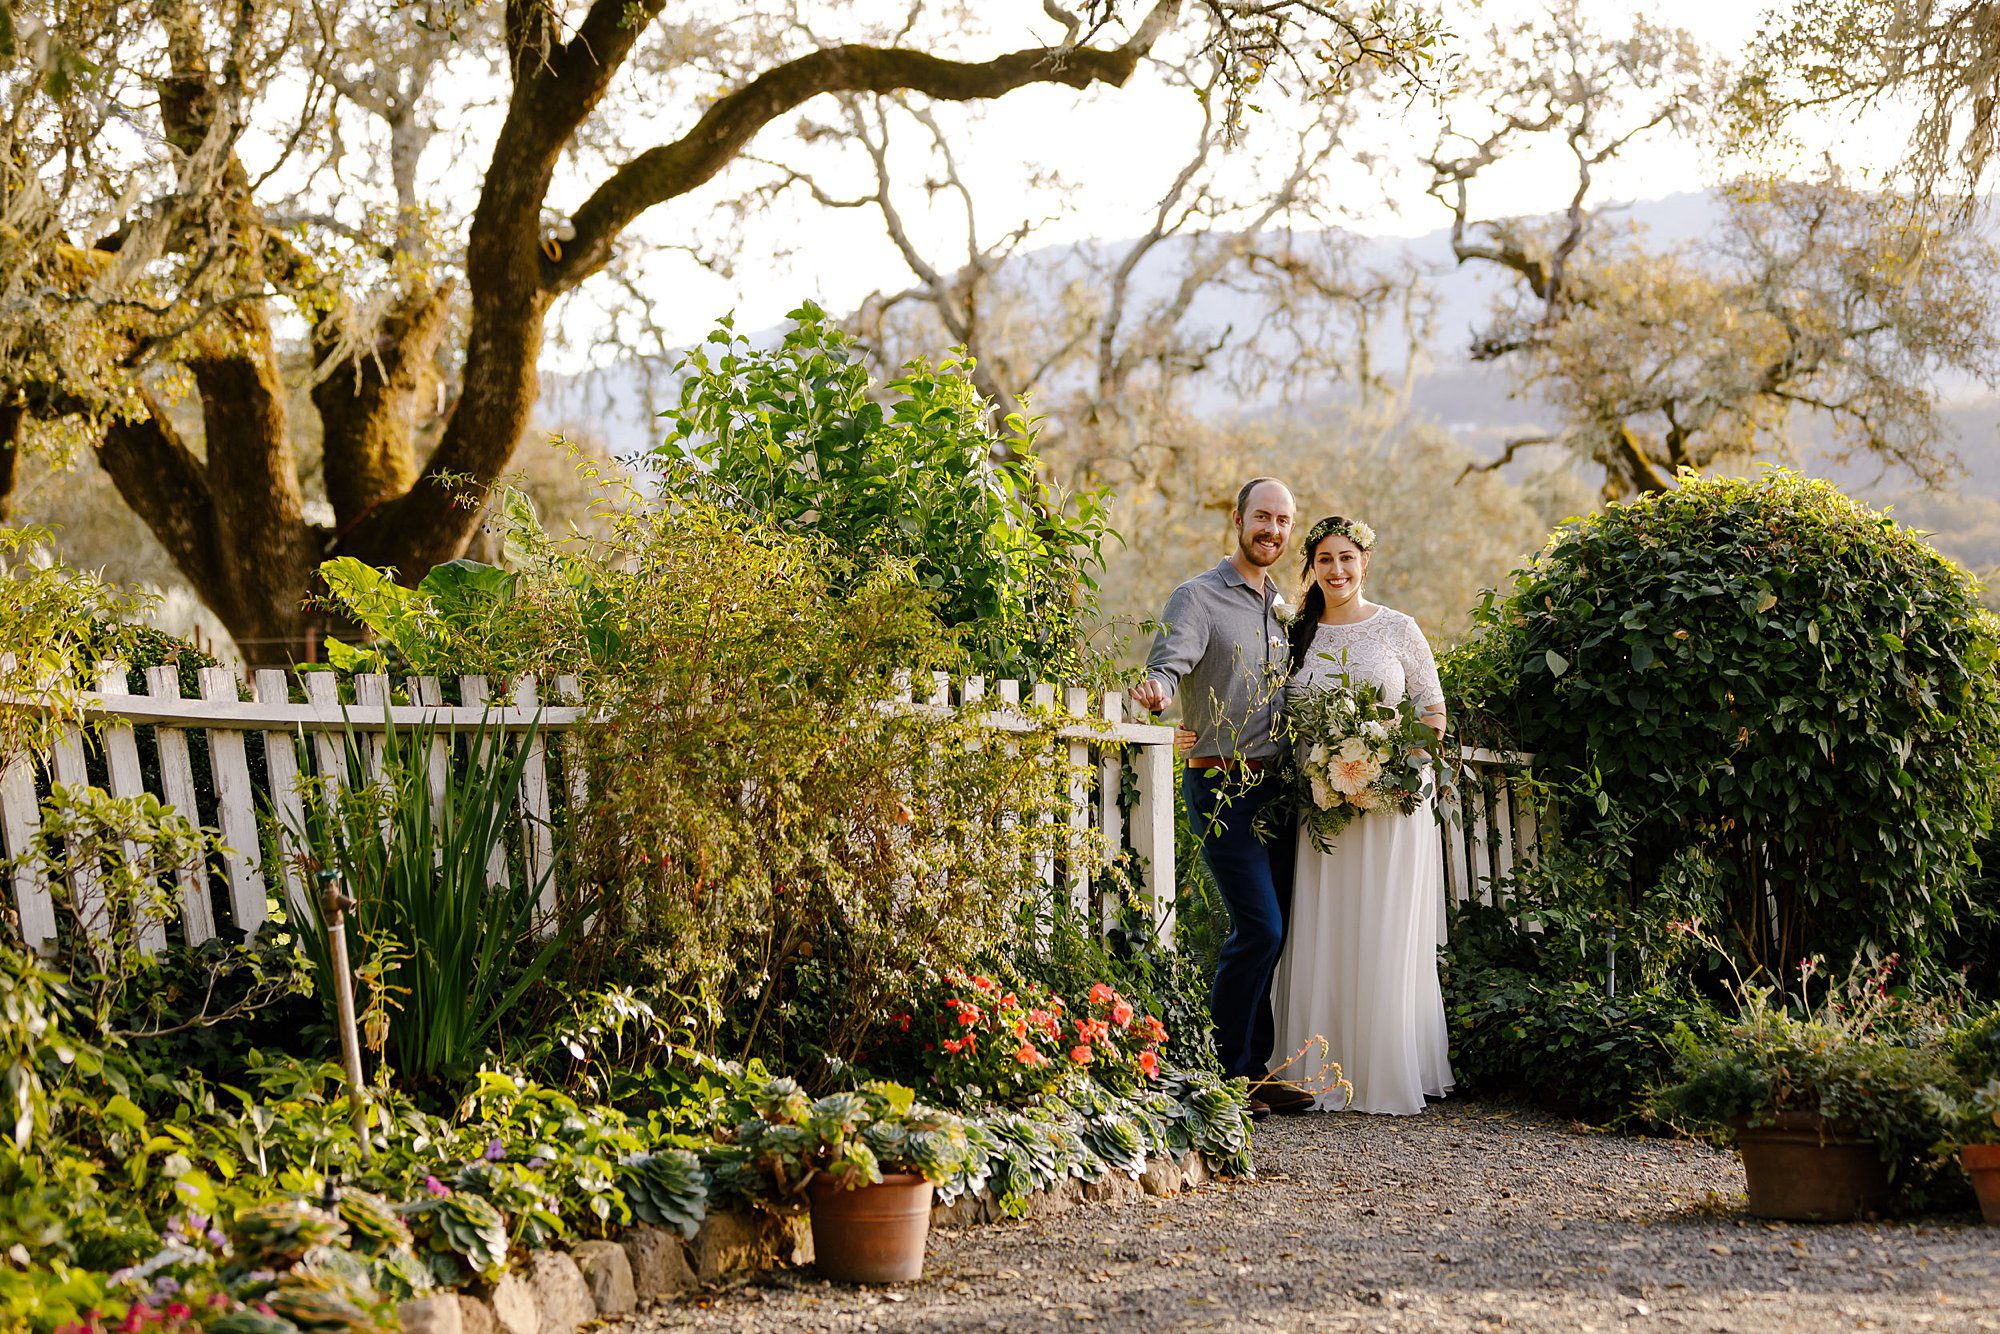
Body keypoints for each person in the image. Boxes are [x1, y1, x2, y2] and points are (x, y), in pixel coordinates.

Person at [1131, 477, 1315, 1118]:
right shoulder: (1199, 597)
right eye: (1262, 516)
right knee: (1258, 926)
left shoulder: (1284, 608)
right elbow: (1167, 663)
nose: (1272, 529)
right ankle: (1224, 1072)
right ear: (1238, 519)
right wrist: (1155, 690)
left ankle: (1254, 1070)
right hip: (1219, 783)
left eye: (1283, 521)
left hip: (1277, 791)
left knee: (1275, 929)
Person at [1270, 515, 1455, 1114]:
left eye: (1347, 558)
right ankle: (1317, 1068)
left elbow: (1432, 711)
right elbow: (1264, 708)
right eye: (1325, 559)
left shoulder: (1400, 630)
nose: (1337, 570)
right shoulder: (1294, 635)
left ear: (1365, 562)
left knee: (1382, 923)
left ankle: (1384, 1065)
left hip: (1390, 807)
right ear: (1311, 568)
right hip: (1321, 808)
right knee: (1327, 922)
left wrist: (1383, 768)